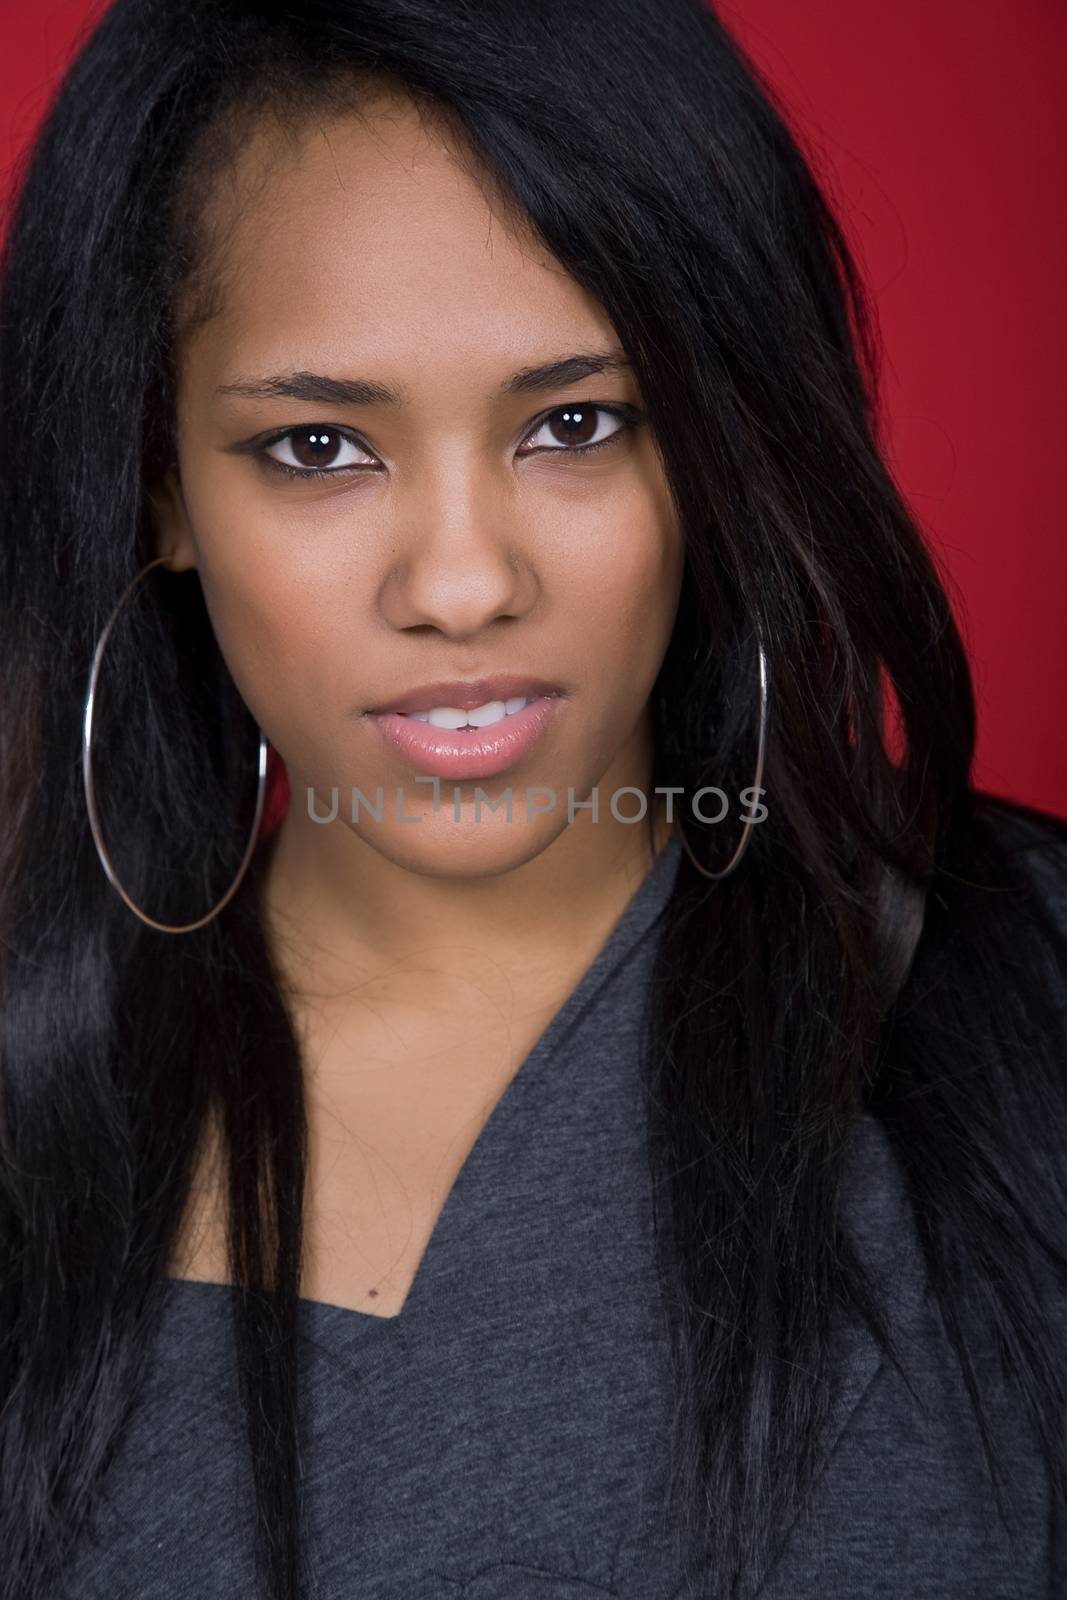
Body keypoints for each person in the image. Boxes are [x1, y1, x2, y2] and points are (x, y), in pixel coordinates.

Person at [0, 2, 1064, 1597]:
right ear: (163, 484)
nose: (462, 582)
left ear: (712, 443)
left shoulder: (1028, 998)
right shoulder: (38, 1103)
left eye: (576, 423)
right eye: (316, 446)